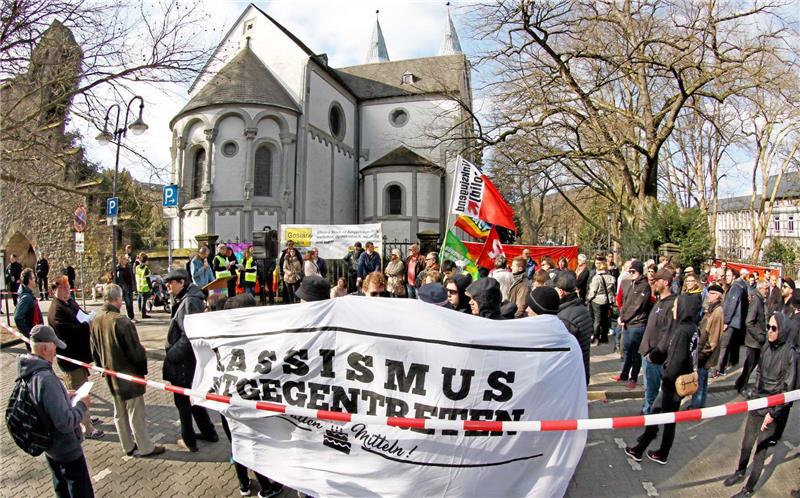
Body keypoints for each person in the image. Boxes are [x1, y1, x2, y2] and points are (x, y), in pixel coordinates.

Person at [723, 312, 797, 497]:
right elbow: (758, 374)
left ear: (782, 330)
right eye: (768, 327)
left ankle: (748, 489)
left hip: (772, 409)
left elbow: (788, 388)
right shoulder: (765, 347)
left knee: (760, 451)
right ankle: (740, 471)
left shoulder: (790, 354)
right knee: (746, 443)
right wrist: (754, 396)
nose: (769, 331)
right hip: (757, 402)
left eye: (774, 328)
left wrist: (773, 413)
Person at [218, 295, 285, 497]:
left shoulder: (222, 336)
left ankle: (244, 484)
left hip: (227, 400)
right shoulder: (258, 338)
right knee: (254, 443)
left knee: (237, 440)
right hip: (248, 401)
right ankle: (266, 486)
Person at [90, 283, 165, 457]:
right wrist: (143, 368)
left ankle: (127, 445)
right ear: (117, 298)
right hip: (128, 375)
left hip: (111, 373)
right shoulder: (122, 321)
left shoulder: (96, 319)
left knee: (119, 412)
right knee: (135, 413)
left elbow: (94, 347)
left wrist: (100, 367)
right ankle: (145, 447)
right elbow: (135, 352)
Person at [18, 325, 94, 497]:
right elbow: (65, 422)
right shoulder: (46, 378)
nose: (55, 352)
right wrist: (82, 405)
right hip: (65, 449)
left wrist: (64, 395)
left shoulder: (30, 370)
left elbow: (43, 402)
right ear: (45, 348)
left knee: (61, 487)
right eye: (54, 347)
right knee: (79, 490)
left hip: (51, 448)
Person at [624, 294, 700, 465]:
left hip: (672, 384)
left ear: (683, 308)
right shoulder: (693, 327)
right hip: (681, 381)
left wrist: (665, 379)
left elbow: (676, 360)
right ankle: (653, 450)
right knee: (668, 419)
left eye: (676, 306)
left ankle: (642, 449)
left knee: (657, 415)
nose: (673, 309)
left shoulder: (682, 331)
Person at [162, 269, 218, 452]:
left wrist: (172, 354)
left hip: (185, 363)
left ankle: (189, 441)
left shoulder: (190, 301)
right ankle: (209, 432)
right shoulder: (187, 298)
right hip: (188, 361)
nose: (167, 285)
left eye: (171, 282)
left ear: (182, 282)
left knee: (183, 402)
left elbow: (190, 335)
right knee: (192, 398)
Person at [47, 277, 103, 440]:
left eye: (68, 287)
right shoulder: (57, 310)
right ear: (54, 290)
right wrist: (86, 325)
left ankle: (86, 415)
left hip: (79, 356)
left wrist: (88, 316)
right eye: (62, 288)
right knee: (78, 391)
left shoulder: (69, 303)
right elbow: (68, 332)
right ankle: (87, 428)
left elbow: (80, 314)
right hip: (70, 359)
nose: (67, 291)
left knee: (83, 387)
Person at [638, 267, 677, 414]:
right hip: (648, 354)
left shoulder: (671, 304)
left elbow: (669, 333)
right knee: (648, 390)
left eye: (656, 280)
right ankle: (647, 411)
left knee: (653, 394)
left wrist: (654, 355)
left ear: (665, 282)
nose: (653, 283)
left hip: (655, 357)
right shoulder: (660, 301)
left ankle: (651, 418)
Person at [612, 260, 652, 389]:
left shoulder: (644, 286)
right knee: (627, 350)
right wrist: (622, 316)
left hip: (637, 324)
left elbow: (637, 306)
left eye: (633, 271)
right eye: (629, 271)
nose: (631, 273)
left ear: (639, 271)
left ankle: (633, 378)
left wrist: (624, 317)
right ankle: (624, 374)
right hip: (628, 323)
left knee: (636, 353)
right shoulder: (631, 284)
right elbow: (625, 302)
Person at [689, 284, 725, 409]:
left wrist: (702, 353)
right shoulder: (711, 309)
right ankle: (699, 405)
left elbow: (713, 338)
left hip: (705, 353)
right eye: (709, 293)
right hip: (704, 351)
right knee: (702, 381)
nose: (710, 295)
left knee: (700, 382)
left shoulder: (718, 312)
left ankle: (696, 407)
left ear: (719, 296)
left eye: (713, 293)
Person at [554, 272, 593, 384]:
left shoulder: (565, 316)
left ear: (560, 292)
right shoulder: (580, 307)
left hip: (571, 376)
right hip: (581, 370)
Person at [735, 279, 768, 394]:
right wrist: (759, 335)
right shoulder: (756, 301)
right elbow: (749, 322)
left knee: (751, 365)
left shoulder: (761, 300)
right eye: (765, 289)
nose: (767, 291)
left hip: (757, 341)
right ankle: (742, 387)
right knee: (749, 365)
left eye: (768, 289)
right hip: (753, 341)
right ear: (760, 288)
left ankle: (739, 383)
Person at [716, 267, 749, 375]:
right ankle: (722, 367)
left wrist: (726, 321)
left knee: (723, 345)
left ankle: (718, 369)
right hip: (732, 322)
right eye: (726, 275)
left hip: (730, 322)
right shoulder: (735, 286)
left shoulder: (735, 287)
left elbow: (731, 306)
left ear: (734, 276)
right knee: (726, 345)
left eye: (729, 275)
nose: (726, 277)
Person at [586, 260, 615, 344]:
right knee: (605, 319)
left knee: (597, 320)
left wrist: (589, 299)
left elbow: (593, 291)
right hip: (607, 300)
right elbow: (612, 290)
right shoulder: (611, 278)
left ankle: (596, 337)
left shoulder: (596, 278)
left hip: (597, 300)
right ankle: (604, 337)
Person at [14, 268, 42, 348]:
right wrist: (29, 335)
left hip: (36, 333)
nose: (35, 280)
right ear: (29, 280)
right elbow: (18, 317)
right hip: (34, 336)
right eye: (33, 278)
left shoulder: (27, 294)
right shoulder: (26, 297)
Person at [114, 254, 135, 321]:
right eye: (124, 259)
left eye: (126, 259)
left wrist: (133, 286)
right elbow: (117, 279)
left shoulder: (128, 267)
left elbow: (132, 277)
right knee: (128, 302)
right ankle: (130, 317)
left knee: (131, 302)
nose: (126, 260)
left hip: (129, 287)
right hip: (124, 288)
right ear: (121, 260)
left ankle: (132, 316)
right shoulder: (117, 268)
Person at [135, 253, 152, 319]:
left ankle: (140, 310)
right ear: (146, 261)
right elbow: (148, 280)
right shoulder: (146, 269)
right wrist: (151, 288)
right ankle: (143, 314)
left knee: (139, 299)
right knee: (144, 301)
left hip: (139, 286)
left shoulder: (137, 267)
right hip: (145, 288)